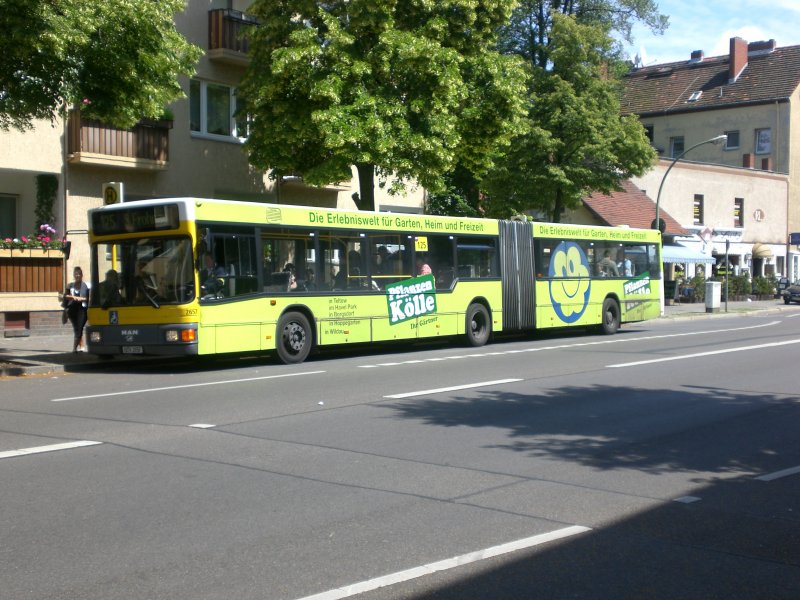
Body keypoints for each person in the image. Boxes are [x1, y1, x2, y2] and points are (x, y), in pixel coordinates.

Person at [62, 266, 89, 352]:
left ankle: (74, 349)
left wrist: (80, 299)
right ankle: (81, 346)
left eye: (79, 274)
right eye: (76, 274)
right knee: (76, 327)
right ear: (74, 275)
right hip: (72, 309)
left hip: (82, 309)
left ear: (82, 275)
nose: (77, 275)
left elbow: (89, 298)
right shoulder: (70, 286)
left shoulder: (86, 286)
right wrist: (65, 309)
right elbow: (65, 297)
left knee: (79, 327)